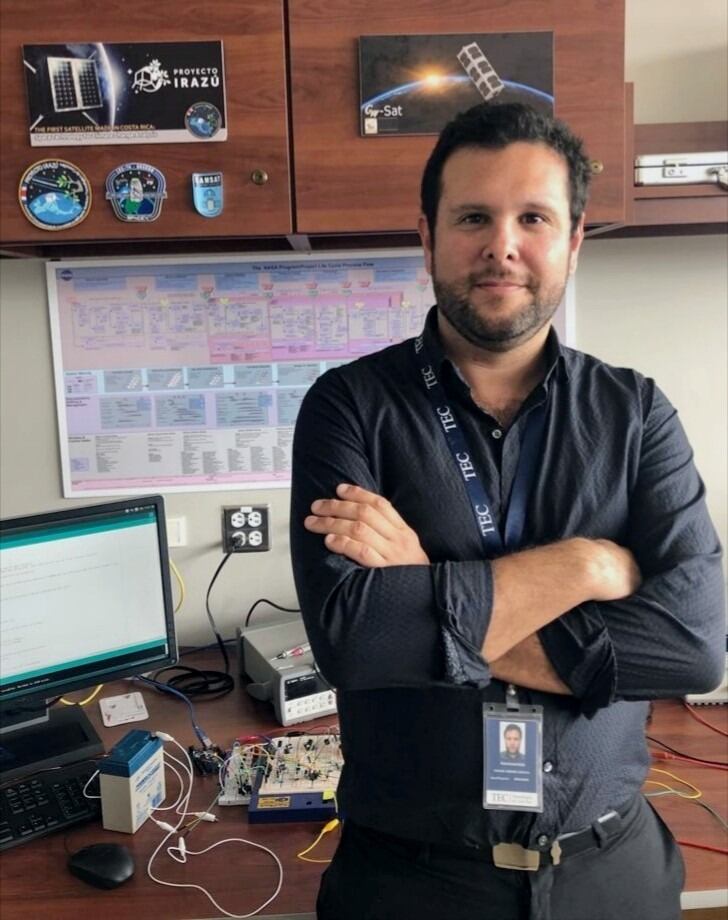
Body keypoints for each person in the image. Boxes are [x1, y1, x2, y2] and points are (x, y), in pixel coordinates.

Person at [289, 102, 724, 920]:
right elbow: (357, 641)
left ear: (574, 240)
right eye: (473, 218)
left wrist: (428, 587)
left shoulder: (636, 413)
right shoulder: (348, 407)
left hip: (611, 872)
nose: (502, 245)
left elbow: (693, 648)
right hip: (410, 883)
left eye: (533, 218)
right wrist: (585, 566)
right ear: (427, 237)